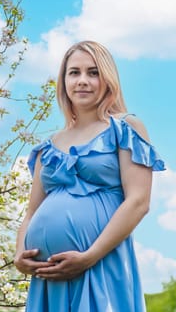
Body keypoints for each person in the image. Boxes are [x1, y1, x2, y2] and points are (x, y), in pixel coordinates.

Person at [14, 40, 165, 311]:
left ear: (107, 79)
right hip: (49, 277)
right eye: (74, 72)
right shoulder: (48, 145)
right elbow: (31, 212)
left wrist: (89, 256)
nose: (82, 81)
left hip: (100, 263)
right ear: (64, 81)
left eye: (93, 72)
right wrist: (18, 256)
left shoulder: (125, 128)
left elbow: (138, 202)